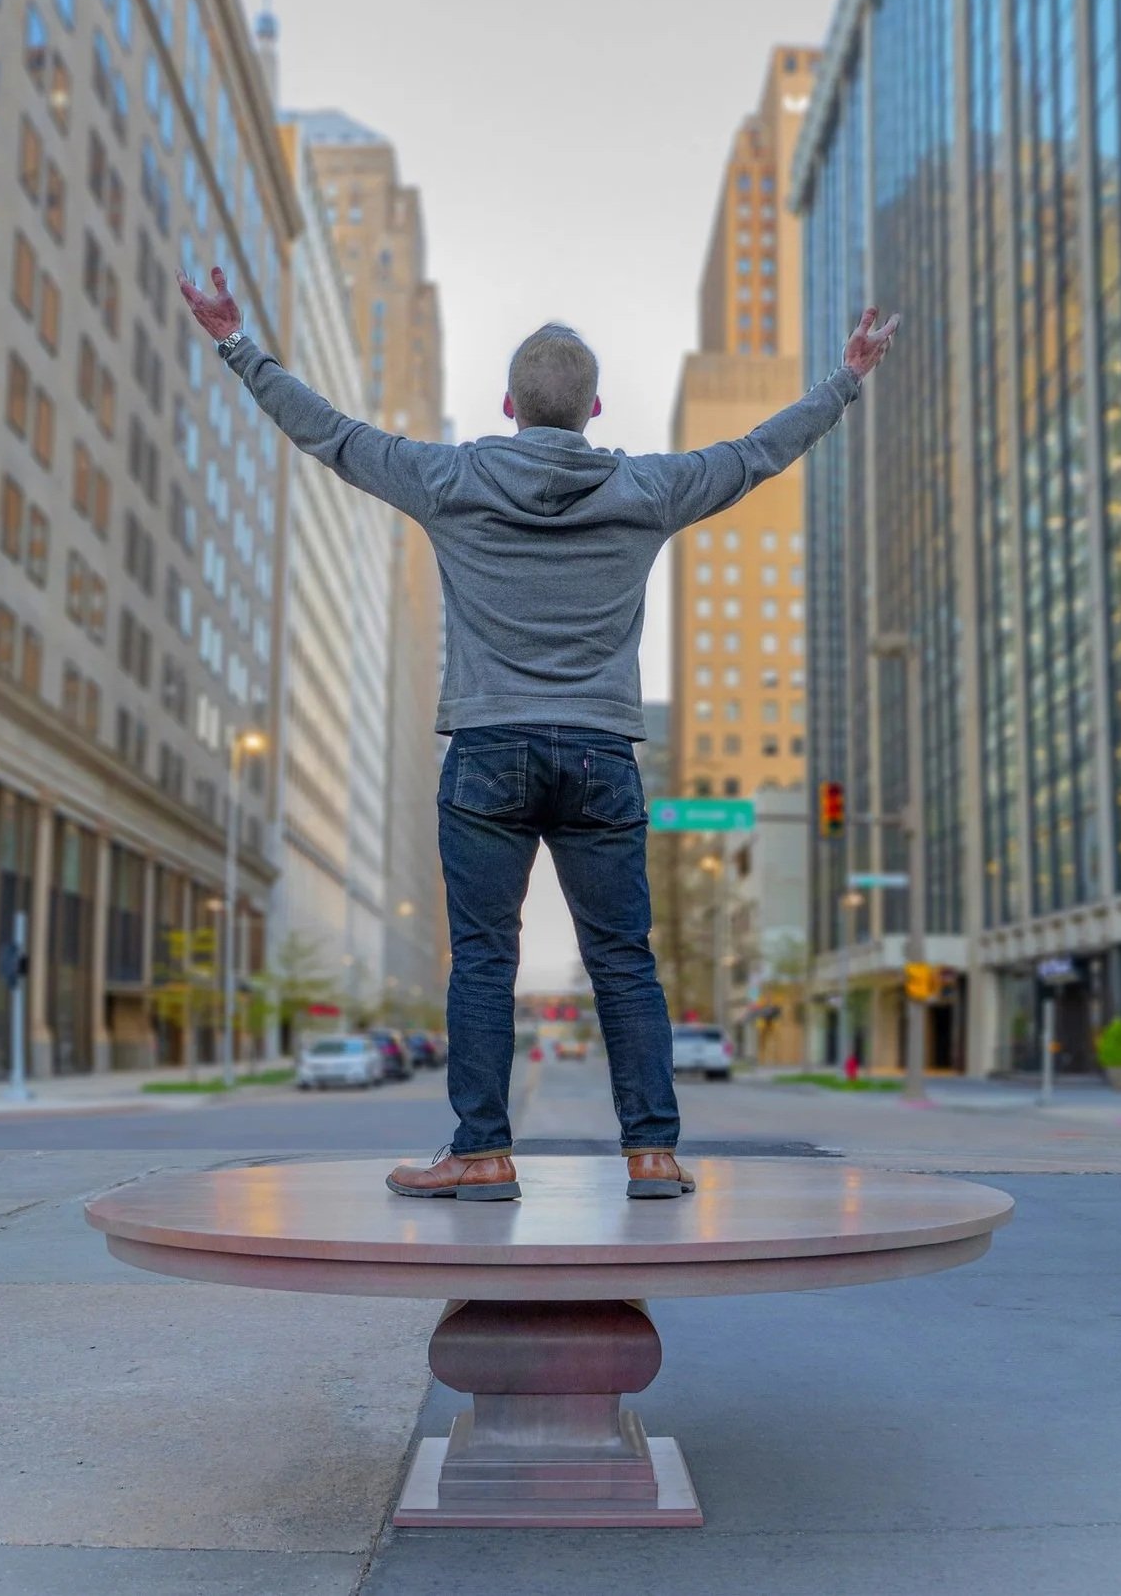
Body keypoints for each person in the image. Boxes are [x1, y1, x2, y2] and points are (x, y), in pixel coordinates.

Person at [178, 266, 897, 1200]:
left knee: (485, 957)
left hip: (486, 753)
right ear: (594, 407)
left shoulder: (450, 478)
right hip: (601, 753)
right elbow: (758, 452)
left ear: (509, 403)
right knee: (624, 959)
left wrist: (238, 344)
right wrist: (845, 379)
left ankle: (480, 1151)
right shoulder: (649, 488)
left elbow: (332, 436)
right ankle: (651, 1152)